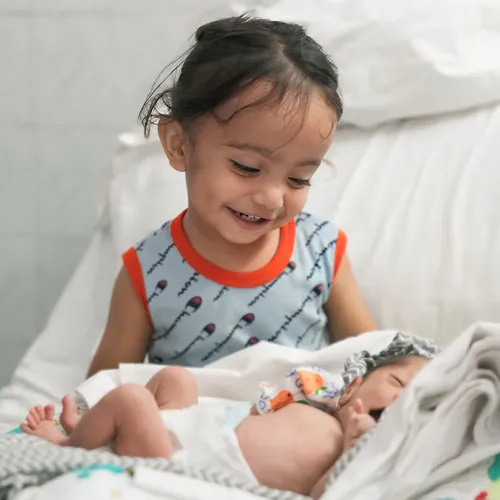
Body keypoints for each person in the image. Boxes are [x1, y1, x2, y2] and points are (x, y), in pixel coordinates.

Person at [87, 15, 375, 378]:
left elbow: (372, 360)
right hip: (192, 415)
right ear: (178, 144)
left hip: (301, 412)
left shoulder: (321, 253)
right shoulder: (146, 273)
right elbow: (103, 389)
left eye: (298, 179)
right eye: (247, 167)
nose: (272, 199)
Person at [21, 355, 428, 498]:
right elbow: (252, 413)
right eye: (397, 383)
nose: (400, 399)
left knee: (131, 399)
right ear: (352, 386)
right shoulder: (315, 408)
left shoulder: (354, 455)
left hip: (180, 464)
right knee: (177, 379)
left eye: (413, 402)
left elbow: (317, 495)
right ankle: (95, 429)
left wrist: (350, 452)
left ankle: (70, 445)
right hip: (187, 428)